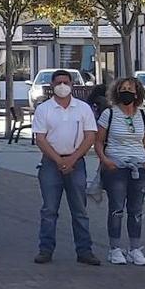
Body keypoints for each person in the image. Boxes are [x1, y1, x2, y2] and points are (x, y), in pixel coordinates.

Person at [32, 69, 101, 266]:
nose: (62, 86)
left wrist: (72, 159)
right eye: (58, 82)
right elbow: (40, 139)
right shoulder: (44, 109)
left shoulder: (83, 108)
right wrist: (58, 160)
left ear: (72, 85)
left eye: (66, 82)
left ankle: (84, 251)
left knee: (80, 210)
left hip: (76, 163)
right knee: (49, 210)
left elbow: (90, 136)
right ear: (52, 85)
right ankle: (45, 250)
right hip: (50, 163)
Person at [95, 76, 145, 266]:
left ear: (137, 93)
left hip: (139, 167)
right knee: (116, 209)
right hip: (116, 166)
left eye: (130, 89)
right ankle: (115, 249)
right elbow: (98, 141)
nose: (127, 92)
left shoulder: (143, 115)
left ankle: (135, 249)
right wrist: (105, 160)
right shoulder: (109, 114)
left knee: (136, 210)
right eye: (123, 89)